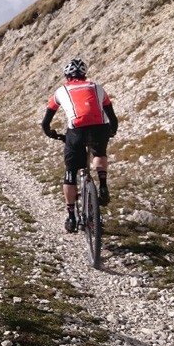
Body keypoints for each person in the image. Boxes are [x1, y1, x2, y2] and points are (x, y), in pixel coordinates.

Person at [41, 58, 118, 233]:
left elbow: (46, 122)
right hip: (100, 129)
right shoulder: (98, 88)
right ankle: (103, 184)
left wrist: (51, 133)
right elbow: (112, 117)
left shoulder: (61, 91)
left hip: (76, 132)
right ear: (84, 74)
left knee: (70, 171)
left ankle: (71, 217)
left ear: (67, 76)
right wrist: (111, 131)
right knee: (99, 154)